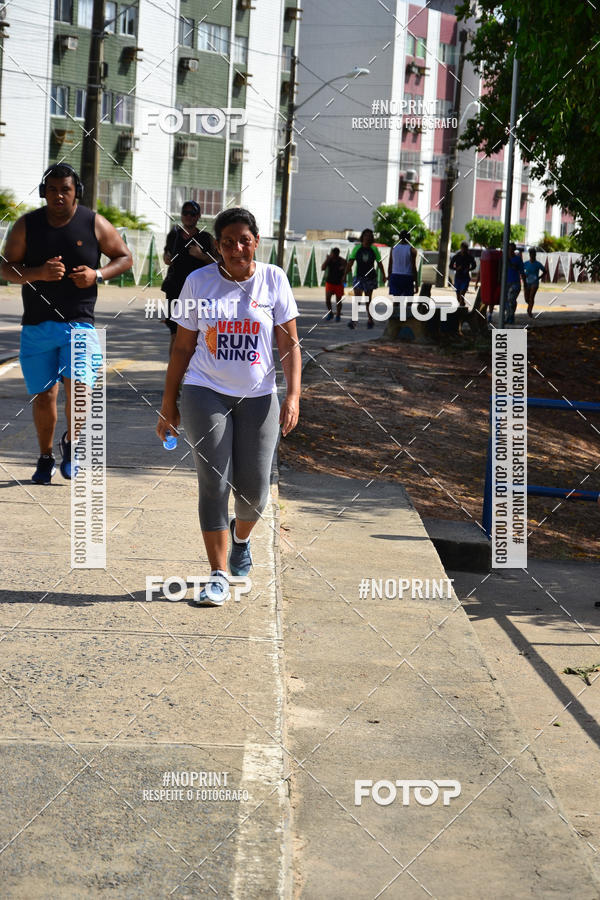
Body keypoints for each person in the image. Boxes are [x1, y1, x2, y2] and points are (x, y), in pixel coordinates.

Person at [156, 208, 301, 607]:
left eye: (244, 241)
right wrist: (168, 404)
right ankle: (218, 575)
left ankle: (241, 537)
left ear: (256, 241)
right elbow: (182, 347)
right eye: (227, 243)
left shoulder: (273, 279)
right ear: (217, 246)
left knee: (254, 493)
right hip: (205, 390)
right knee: (214, 482)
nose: (237, 249)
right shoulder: (198, 282)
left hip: (259, 396)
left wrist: (293, 395)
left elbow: (288, 344)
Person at [0, 163, 132, 484]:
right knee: (45, 396)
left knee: (81, 390)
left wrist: (97, 274)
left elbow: (124, 257)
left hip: (80, 323)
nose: (59, 195)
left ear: (77, 192)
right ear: (43, 192)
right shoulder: (27, 225)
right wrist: (38, 273)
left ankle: (71, 445)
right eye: (53, 189)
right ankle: (45, 457)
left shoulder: (93, 223)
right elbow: (5, 267)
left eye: (66, 189)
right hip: (37, 325)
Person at [161, 201, 215, 356]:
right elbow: (167, 254)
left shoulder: (205, 238)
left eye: (192, 213)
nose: (188, 216)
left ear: (198, 216)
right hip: (175, 289)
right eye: (185, 213)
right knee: (175, 334)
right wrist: (166, 258)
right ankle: (174, 369)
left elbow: (217, 262)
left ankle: (192, 368)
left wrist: (201, 256)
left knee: (195, 334)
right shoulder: (174, 235)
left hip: (198, 292)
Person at [345, 228, 386, 329]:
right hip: (359, 276)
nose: (367, 237)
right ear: (362, 237)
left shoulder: (374, 249)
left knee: (368, 300)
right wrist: (344, 275)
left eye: (369, 236)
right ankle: (354, 320)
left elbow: (379, 263)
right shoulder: (357, 248)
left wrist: (384, 275)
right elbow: (350, 262)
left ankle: (370, 319)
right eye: (366, 235)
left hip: (370, 277)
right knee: (357, 299)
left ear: (372, 238)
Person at [388, 229, 418, 298]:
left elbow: (390, 264)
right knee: (409, 300)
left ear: (399, 238)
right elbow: (414, 267)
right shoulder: (412, 249)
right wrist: (416, 283)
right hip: (407, 276)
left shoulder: (393, 248)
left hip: (395, 276)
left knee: (397, 300)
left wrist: (389, 277)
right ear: (409, 238)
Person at [321, 247, 347, 321]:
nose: (332, 255)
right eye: (332, 253)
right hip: (330, 282)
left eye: (334, 254)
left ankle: (338, 315)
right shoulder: (329, 260)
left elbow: (348, 269)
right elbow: (322, 268)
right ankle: (330, 313)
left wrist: (344, 277)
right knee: (327, 299)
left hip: (339, 283)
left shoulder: (342, 261)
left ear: (337, 254)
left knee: (338, 300)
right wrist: (327, 260)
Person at [449, 241, 476, 307]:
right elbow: (450, 266)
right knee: (458, 297)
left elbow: (474, 265)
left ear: (467, 249)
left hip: (465, 278)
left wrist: (469, 269)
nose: (464, 250)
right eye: (463, 248)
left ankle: (462, 308)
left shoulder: (469, 257)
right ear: (461, 248)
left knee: (462, 294)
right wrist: (456, 268)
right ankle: (462, 304)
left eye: (465, 248)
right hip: (458, 277)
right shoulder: (456, 256)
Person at [522, 248, 545, 317]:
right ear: (529, 255)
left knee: (531, 297)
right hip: (527, 282)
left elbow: (545, 271)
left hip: (535, 283)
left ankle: (529, 311)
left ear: (535, 255)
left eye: (534, 254)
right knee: (526, 299)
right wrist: (523, 276)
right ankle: (530, 305)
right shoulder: (526, 263)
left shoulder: (538, 264)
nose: (532, 255)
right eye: (531, 254)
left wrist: (539, 277)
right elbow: (521, 271)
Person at [506, 242, 525, 325]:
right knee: (507, 302)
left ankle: (511, 316)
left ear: (514, 249)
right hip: (506, 283)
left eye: (512, 249)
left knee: (511, 299)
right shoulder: (504, 258)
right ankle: (509, 317)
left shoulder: (518, 259)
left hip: (515, 283)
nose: (510, 250)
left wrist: (525, 283)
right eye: (509, 249)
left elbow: (522, 271)